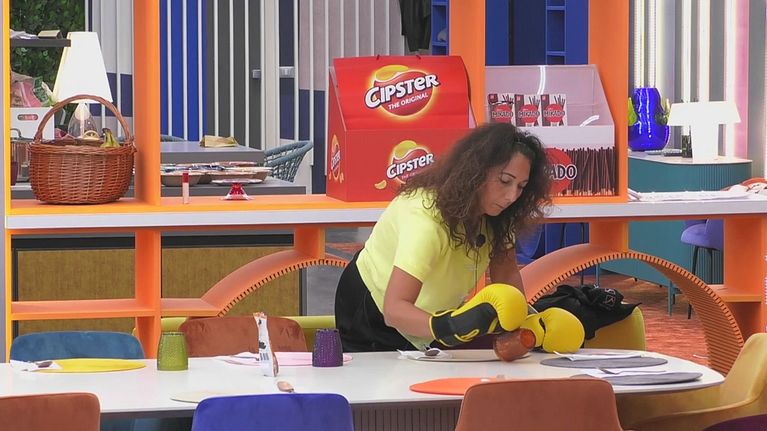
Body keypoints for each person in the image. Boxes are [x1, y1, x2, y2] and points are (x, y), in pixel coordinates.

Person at [334, 122, 552, 352]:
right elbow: (394, 309)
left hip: (427, 313)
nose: (512, 196)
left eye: (521, 186)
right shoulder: (426, 219)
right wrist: (451, 325)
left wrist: (530, 325)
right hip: (371, 310)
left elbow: (506, 275)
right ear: (476, 172)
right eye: (505, 181)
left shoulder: (499, 215)